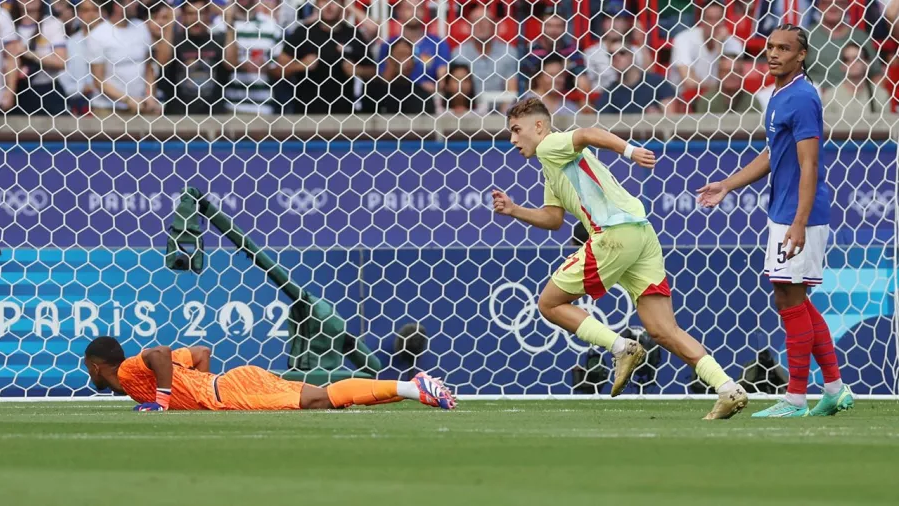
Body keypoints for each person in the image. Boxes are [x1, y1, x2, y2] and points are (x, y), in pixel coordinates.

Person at [494, 97, 749, 420]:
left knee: (548, 304)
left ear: (539, 126)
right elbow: (553, 219)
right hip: (642, 235)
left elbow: (587, 133)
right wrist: (515, 210)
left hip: (613, 235)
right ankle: (727, 388)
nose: (513, 139)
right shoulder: (553, 165)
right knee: (662, 330)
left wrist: (629, 151)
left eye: (517, 130)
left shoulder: (550, 146)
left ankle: (620, 347)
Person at [697, 24, 854, 418]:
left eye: (784, 49)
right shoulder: (777, 97)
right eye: (770, 47)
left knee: (787, 296)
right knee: (793, 297)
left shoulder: (801, 97)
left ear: (801, 55)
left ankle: (796, 398)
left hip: (797, 214)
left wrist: (799, 222)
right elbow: (773, 155)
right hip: (784, 210)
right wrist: (728, 185)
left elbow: (809, 163)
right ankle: (833, 388)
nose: (773, 54)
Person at [84, 336, 456, 411]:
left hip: (231, 392)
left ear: (97, 367)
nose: (90, 375)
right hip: (229, 384)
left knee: (321, 398)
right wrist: (199, 386)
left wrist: (165, 401)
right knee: (326, 399)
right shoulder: (135, 386)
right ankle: (414, 387)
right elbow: (199, 352)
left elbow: (160, 353)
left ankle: (413, 387)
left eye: (89, 369)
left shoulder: (131, 368)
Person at [278, 0, 376, 115]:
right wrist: (300, 66)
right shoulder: (303, 33)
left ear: (342, 5)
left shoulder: (353, 34)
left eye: (334, 2)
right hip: (305, 115)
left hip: (344, 116)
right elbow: (278, 69)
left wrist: (358, 70)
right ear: (317, 5)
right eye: (324, 1)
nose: (329, 6)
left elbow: (374, 72)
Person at [88, 0, 161, 116]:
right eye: (131, 1)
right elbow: (98, 80)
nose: (136, 3)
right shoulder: (98, 35)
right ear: (117, 5)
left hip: (142, 105)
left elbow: (149, 66)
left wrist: (150, 96)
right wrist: (127, 100)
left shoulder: (141, 27)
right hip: (108, 109)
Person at [3, 0, 68, 116]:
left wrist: (27, 53)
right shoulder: (6, 24)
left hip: (47, 91)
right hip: (15, 92)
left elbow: (61, 62)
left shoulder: (52, 24)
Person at [806, 0, 881, 90]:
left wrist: (872, 99)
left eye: (839, 3)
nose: (833, 7)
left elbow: (876, 75)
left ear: (847, 6)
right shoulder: (807, 36)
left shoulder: (860, 37)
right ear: (819, 6)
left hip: (855, 98)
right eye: (827, 2)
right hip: (816, 97)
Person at [362, 38, 434, 115]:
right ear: (388, 59)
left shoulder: (421, 96)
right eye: (401, 55)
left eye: (410, 56)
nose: (406, 61)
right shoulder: (371, 92)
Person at [595, 46, 675, 115]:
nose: (616, 57)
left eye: (622, 53)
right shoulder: (609, 93)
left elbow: (670, 118)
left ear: (633, 56)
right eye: (611, 55)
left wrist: (657, 117)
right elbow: (603, 123)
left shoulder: (657, 83)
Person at [820, 43, 891, 119]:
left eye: (857, 59)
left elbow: (885, 127)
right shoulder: (830, 96)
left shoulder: (880, 95)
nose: (852, 63)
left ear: (867, 64)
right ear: (842, 65)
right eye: (847, 59)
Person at [693, 50, 762, 114]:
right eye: (725, 71)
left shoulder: (752, 102)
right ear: (719, 74)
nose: (730, 75)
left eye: (735, 71)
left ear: (741, 73)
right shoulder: (707, 101)